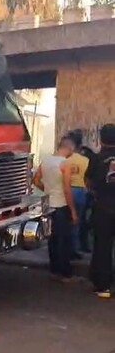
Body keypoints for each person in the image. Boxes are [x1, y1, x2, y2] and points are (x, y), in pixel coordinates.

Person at [33, 136, 79, 282]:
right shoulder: (64, 164)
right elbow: (67, 189)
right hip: (61, 205)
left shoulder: (46, 161)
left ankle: (53, 269)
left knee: (52, 239)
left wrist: (46, 190)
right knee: (63, 239)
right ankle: (65, 273)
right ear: (70, 148)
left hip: (48, 205)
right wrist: (72, 210)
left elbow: (35, 180)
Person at [86, 123, 115, 299]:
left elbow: (88, 183)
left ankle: (102, 286)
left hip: (103, 208)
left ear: (101, 139)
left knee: (102, 247)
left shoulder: (96, 159)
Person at [65, 130, 90, 257]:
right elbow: (88, 179)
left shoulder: (65, 159)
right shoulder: (85, 160)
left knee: (65, 221)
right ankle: (74, 249)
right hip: (80, 192)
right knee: (77, 221)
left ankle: (65, 249)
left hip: (66, 191)